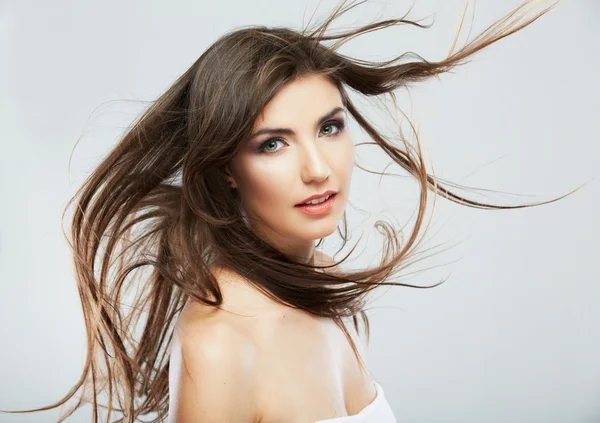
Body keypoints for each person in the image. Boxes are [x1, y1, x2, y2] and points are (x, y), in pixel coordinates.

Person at [2, 0, 580, 422]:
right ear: (227, 165)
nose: (317, 169)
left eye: (329, 127)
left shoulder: (321, 279)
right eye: (273, 143)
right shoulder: (222, 343)